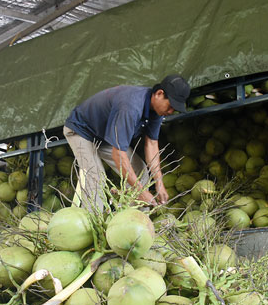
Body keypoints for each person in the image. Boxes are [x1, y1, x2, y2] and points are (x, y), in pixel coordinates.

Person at [63, 74, 191, 211]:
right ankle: (92, 225)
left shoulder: (157, 112)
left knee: (140, 170)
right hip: (81, 131)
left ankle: (136, 223)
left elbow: (152, 145)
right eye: (170, 106)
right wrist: (141, 192)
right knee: (96, 178)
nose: (171, 111)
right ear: (159, 94)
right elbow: (118, 154)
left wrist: (159, 183)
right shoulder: (131, 107)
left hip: (103, 136)